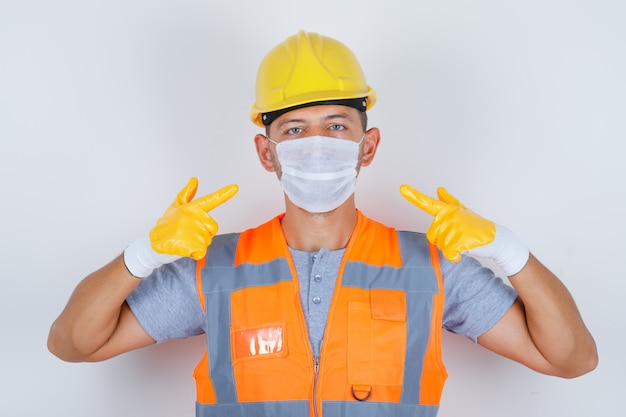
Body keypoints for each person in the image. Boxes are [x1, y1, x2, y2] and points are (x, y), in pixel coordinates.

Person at [48, 30, 597, 416]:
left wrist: (509, 253)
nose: (317, 145)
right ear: (267, 154)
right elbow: (72, 345)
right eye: (294, 129)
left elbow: (572, 359)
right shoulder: (212, 270)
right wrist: (142, 255)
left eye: (336, 125)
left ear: (368, 145)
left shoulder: (432, 269)